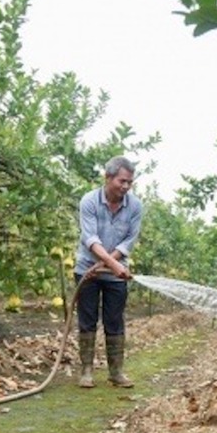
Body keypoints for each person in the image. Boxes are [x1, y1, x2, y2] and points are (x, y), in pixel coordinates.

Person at [73, 156, 142, 388]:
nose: (125, 187)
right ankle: (86, 371)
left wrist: (111, 265)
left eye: (129, 183)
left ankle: (116, 372)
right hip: (87, 271)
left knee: (114, 321)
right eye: (121, 181)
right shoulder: (89, 201)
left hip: (115, 275)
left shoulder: (135, 206)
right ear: (108, 177)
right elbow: (89, 238)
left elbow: (128, 241)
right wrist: (111, 265)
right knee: (87, 319)